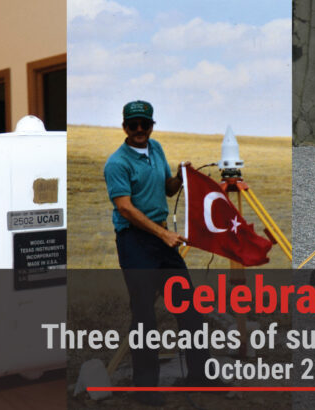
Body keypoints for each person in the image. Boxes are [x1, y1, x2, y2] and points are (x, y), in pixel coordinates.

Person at [104, 100, 218, 406]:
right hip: (135, 241)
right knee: (144, 315)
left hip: (161, 239)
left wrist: (180, 177)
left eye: (145, 124)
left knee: (188, 308)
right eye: (133, 125)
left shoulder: (157, 150)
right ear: (124, 127)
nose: (140, 130)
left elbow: (168, 189)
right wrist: (164, 233)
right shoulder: (117, 163)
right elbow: (125, 208)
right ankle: (145, 388)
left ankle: (201, 375)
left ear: (152, 125)